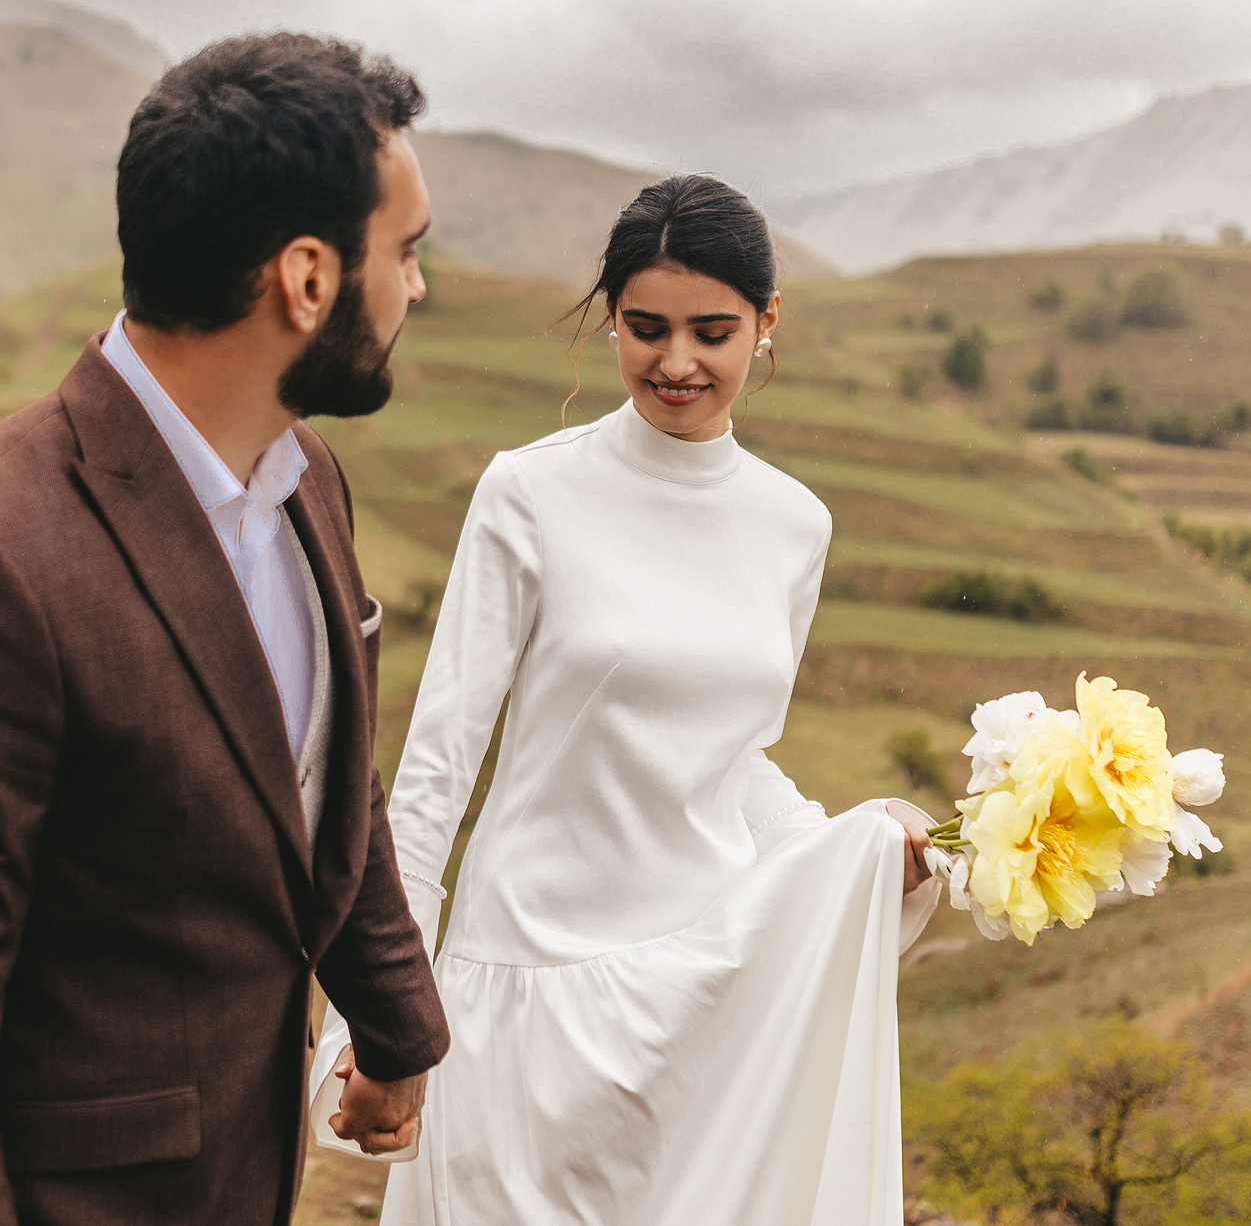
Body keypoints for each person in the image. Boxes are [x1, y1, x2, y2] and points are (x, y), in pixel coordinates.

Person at [0, 33, 451, 1226]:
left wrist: (396, 1025)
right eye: (404, 252)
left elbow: (322, 776)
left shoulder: (306, 479)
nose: (415, 288)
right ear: (306, 280)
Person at [317, 174, 942, 1225]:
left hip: (708, 1007)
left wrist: (858, 849)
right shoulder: (529, 492)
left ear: (767, 322)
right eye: (645, 328)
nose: (676, 362)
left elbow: (733, 757)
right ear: (611, 319)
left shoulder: (795, 525)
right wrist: (382, 1023)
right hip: (527, 1001)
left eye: (712, 332)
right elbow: (434, 770)